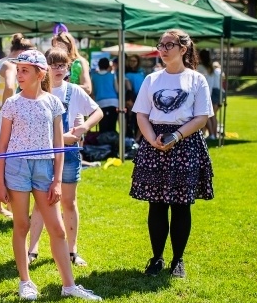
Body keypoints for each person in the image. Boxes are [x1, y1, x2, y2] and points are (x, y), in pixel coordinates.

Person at [0, 49, 101, 302]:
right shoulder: (12, 104)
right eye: (18, 70)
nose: (19, 75)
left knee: (58, 229)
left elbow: (58, 145)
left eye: (24, 70)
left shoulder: (53, 102)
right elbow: (2, 147)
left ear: (40, 73)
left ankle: (69, 286)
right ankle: (25, 281)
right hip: (17, 168)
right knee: (21, 225)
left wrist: (57, 181)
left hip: (45, 169)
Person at [130, 29, 214, 279]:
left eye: (169, 45)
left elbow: (201, 117)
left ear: (183, 49)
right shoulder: (152, 79)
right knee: (156, 205)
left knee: (181, 205)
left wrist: (176, 136)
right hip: (154, 143)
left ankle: (178, 260)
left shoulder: (196, 79)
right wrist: (151, 140)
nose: (163, 49)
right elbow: (141, 114)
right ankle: (156, 258)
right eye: (161, 45)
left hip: (185, 143)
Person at [28, 48, 103, 267]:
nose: (58, 69)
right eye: (53, 65)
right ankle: (32, 250)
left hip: (69, 154)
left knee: (69, 202)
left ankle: (72, 251)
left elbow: (97, 111)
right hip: (44, 154)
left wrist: (84, 128)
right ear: (44, 68)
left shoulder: (74, 91)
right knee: (40, 203)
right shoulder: (37, 91)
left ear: (68, 67)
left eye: (62, 65)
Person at [0, 33, 33, 217]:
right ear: (21, 52)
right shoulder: (10, 66)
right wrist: (8, 110)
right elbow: (10, 86)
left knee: (1, 162)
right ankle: (6, 207)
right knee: (7, 163)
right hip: (1, 119)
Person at [51, 30, 91, 95]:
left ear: (69, 45)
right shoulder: (52, 64)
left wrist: (67, 86)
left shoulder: (79, 62)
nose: (56, 49)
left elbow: (87, 88)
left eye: (59, 45)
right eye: (54, 46)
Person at [90, 57, 119, 133]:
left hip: (100, 102)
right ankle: (112, 138)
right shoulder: (112, 75)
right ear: (108, 66)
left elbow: (93, 91)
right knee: (112, 125)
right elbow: (117, 89)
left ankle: (103, 138)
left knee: (102, 125)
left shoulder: (94, 76)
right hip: (113, 102)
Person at [207, 61, 223, 140]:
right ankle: (214, 134)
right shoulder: (220, 72)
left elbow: (211, 84)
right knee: (214, 115)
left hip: (214, 92)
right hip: (220, 92)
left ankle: (212, 134)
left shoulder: (214, 72)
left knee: (210, 115)